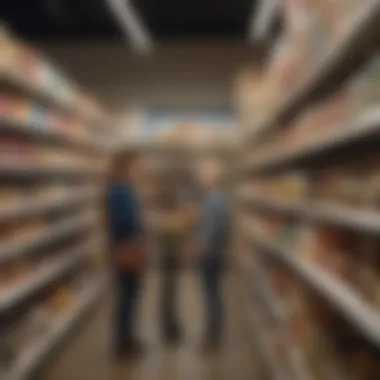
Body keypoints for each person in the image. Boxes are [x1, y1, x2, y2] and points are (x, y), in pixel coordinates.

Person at [106, 150, 147, 358]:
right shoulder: (119, 190)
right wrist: (140, 228)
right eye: (134, 166)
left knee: (130, 296)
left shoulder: (125, 188)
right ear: (124, 167)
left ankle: (128, 338)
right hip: (126, 248)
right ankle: (123, 343)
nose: (137, 170)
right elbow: (124, 220)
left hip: (127, 246)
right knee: (126, 297)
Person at [198, 162, 230, 350]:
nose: (202, 180)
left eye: (204, 176)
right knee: (214, 294)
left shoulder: (214, 199)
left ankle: (213, 336)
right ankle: (214, 334)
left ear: (213, 178)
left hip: (211, 255)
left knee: (212, 296)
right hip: (217, 253)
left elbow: (211, 229)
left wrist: (199, 247)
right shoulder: (221, 198)